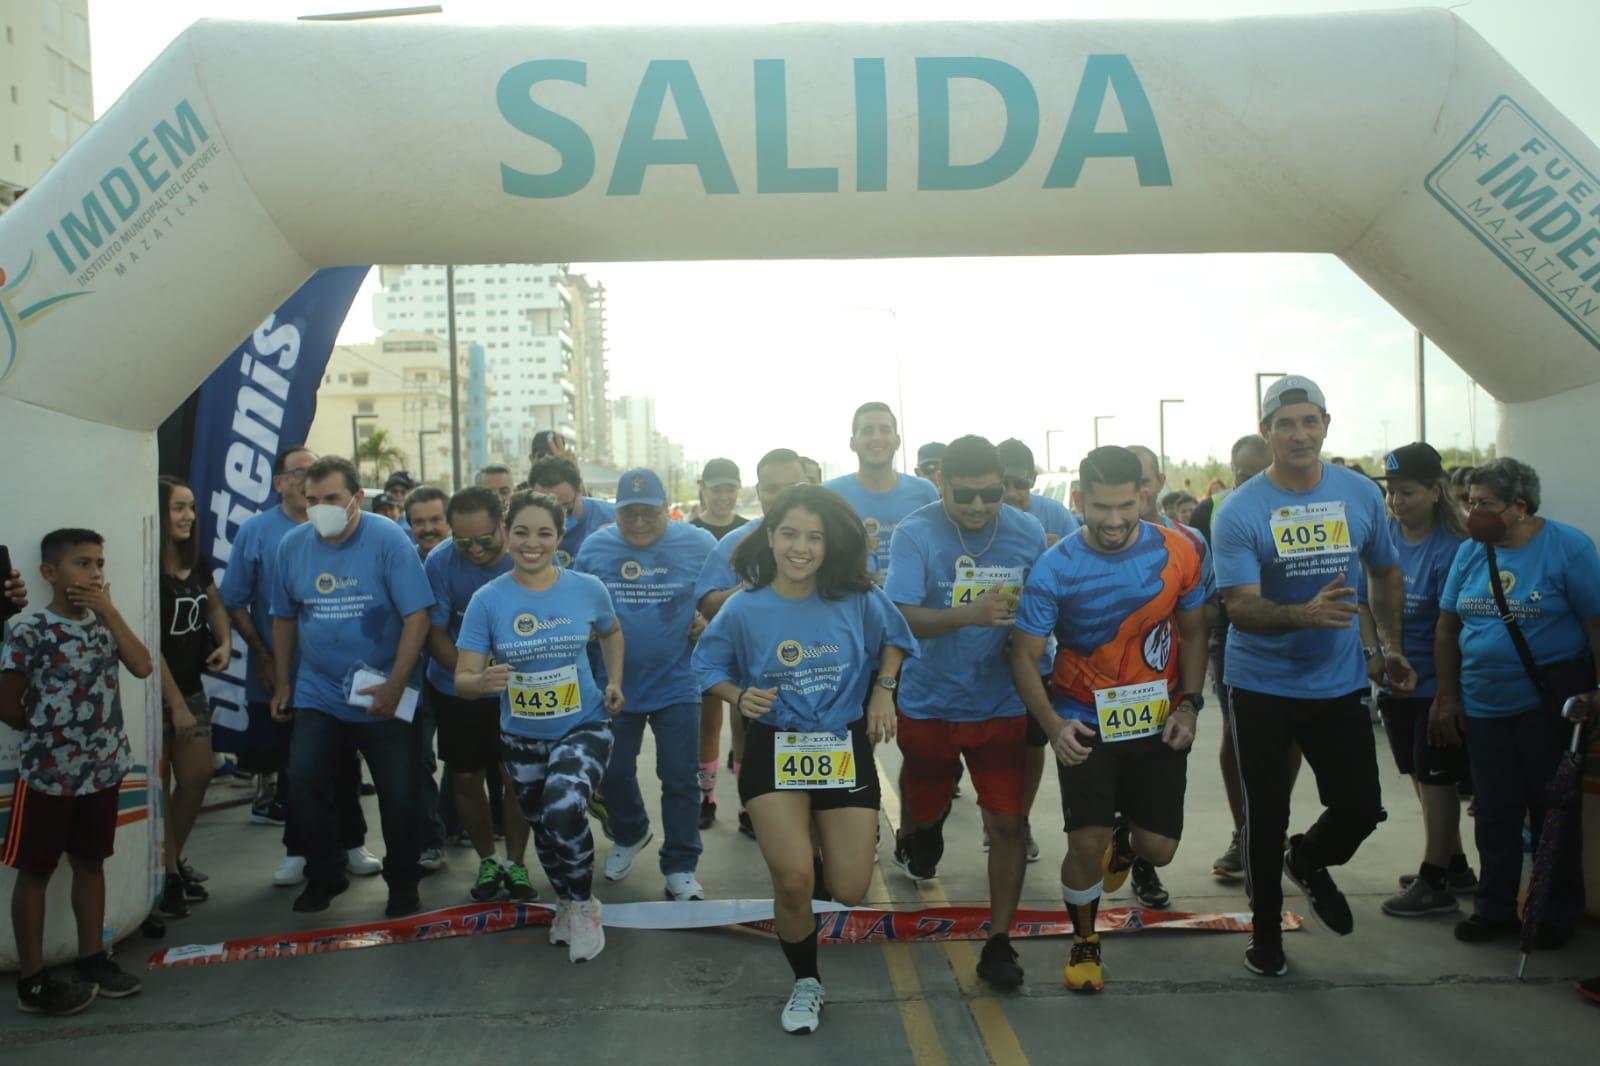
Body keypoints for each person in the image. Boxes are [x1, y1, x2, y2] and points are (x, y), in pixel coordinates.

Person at [693, 484, 916, 1033]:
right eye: (790, 534)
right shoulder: (744, 606)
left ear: (828, 544)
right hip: (774, 747)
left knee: (849, 889)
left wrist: (883, 690)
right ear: (770, 537)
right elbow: (706, 665)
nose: (801, 548)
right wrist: (737, 696)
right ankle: (806, 982)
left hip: (842, 744)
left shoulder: (855, 596)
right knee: (793, 882)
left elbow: (895, 637)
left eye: (814, 538)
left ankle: (825, 842)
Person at [1212, 375, 1414, 977]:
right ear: (1266, 431)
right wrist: (1303, 614)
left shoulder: (1359, 493)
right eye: (1285, 424)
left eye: (1309, 421)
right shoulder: (1240, 510)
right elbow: (1239, 607)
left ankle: (1307, 858)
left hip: (1337, 681)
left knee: (1361, 808)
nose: (1299, 434)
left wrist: (1389, 646)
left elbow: (1385, 572)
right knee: (1265, 814)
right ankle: (1266, 934)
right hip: (1260, 684)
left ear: (1326, 425)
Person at [1009, 446, 1208, 993]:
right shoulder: (1056, 567)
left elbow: (1195, 630)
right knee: (1084, 845)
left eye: (1126, 505)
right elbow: (1023, 656)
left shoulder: (1180, 549)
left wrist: (1190, 705)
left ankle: (1127, 838)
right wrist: (1053, 726)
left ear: (1143, 495)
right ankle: (1085, 940)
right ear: (1079, 499)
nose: (1115, 520)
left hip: (1160, 720)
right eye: (1101, 507)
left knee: (1157, 849)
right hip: (1084, 723)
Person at [886, 436, 1046, 989]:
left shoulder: (1027, 531)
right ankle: (921, 831)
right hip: (929, 703)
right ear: (940, 484)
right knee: (926, 803)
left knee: (1007, 823)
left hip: (1000, 704)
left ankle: (999, 941)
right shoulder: (915, 532)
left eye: (991, 494)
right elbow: (899, 616)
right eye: (965, 496)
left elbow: (1046, 603)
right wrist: (967, 615)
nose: (979, 507)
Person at [1435, 458, 1599, 947]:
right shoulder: (1471, 552)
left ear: (1520, 506)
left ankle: (1552, 913)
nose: (1473, 513)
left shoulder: (1568, 547)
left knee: (1552, 810)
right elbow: (1447, 627)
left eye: (1485, 503)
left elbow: (1596, 624)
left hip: (1547, 705)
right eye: (1469, 502)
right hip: (1483, 704)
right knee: (1494, 811)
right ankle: (1494, 909)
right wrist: (1448, 695)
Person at [455, 491, 625, 963]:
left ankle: (584, 905)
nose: (533, 543)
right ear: (506, 533)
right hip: (523, 736)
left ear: (560, 536)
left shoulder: (587, 588)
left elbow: (611, 630)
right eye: (523, 532)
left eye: (544, 533)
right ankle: (565, 900)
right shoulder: (487, 600)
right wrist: (480, 682)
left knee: (564, 808)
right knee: (543, 826)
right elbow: (463, 678)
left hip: (584, 723)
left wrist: (614, 680)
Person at [270, 456, 435, 918]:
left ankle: (403, 881)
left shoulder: (388, 539)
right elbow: (284, 617)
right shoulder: (292, 545)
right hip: (318, 690)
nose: (320, 508)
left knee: (399, 792)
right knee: (303, 778)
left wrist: (395, 684)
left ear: (357, 498)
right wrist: (282, 681)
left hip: (384, 687)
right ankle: (326, 872)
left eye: (332, 498)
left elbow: (417, 616)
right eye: (312, 500)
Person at [2, 529, 151, 1014]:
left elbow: (143, 666)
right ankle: (32, 980)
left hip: (102, 770)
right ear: (50, 572)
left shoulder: (106, 623)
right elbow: (7, 702)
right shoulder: (30, 629)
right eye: (81, 563)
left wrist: (110, 612)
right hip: (48, 774)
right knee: (36, 871)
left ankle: (91, 959)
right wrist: (48, 735)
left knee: (91, 862)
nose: (94, 573)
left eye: (98, 563)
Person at [221, 446, 377, 888]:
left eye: (315, 473)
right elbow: (234, 599)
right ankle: (298, 850)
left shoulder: (353, 527)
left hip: (345, 674)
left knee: (345, 763)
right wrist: (266, 657)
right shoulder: (257, 532)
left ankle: (352, 843)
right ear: (280, 483)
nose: (308, 481)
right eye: (300, 474)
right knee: (297, 768)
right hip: (285, 677)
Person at [576, 469, 718, 901]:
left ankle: (680, 865)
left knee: (679, 776)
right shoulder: (595, 547)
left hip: (678, 681)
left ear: (666, 510)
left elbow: (726, 597)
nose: (639, 522)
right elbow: (576, 603)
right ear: (616, 512)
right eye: (629, 513)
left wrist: (708, 620)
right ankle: (631, 830)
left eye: (649, 513)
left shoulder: (699, 543)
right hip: (616, 683)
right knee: (612, 771)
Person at [1367, 443, 1475, 917]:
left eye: (1406, 491)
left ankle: (1434, 881)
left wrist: (1446, 695)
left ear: (1436, 491)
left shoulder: (1454, 549)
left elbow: (1453, 629)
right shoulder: (1385, 537)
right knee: (1419, 773)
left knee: (1438, 779)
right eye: (1391, 491)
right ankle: (1453, 864)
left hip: (1435, 687)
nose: (1396, 501)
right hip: (1397, 683)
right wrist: (1377, 654)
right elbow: (1362, 599)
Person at [423, 486, 535, 902]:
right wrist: (471, 676)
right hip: (457, 687)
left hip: (517, 687)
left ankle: (516, 863)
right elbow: (434, 632)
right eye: (463, 541)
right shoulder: (440, 562)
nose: (475, 550)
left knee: (516, 778)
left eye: (485, 539)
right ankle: (488, 860)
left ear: (503, 524)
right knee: (466, 777)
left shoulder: (529, 555)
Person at [695, 448, 810, 836]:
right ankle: (749, 805)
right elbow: (707, 602)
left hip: (819, 674)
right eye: (772, 488)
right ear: (759, 492)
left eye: (792, 486)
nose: (783, 496)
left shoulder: (833, 536)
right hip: (756, 672)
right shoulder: (736, 543)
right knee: (746, 731)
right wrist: (748, 589)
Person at [1190, 434, 1290, 881]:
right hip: (1233, 633)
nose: (1247, 486)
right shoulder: (1211, 511)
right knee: (1237, 733)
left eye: (1257, 476)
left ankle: (1273, 827)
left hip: (1293, 627)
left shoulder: (1300, 507)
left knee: (1290, 735)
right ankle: (1245, 831)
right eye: (1240, 476)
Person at [1122, 444, 1217, 910]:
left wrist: (1189, 697)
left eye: (1142, 481)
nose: (1135, 492)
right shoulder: (1090, 540)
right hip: (1104, 694)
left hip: (1168, 693)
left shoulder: (1191, 542)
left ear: (1159, 482)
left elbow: (1206, 613)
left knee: (1156, 827)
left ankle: (1142, 860)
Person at [152, 477, 233, 919]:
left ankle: (171, 861)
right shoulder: (147, 569)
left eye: (191, 508)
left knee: (197, 776)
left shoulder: (195, 562)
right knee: (159, 784)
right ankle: (166, 875)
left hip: (190, 687)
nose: (188, 517)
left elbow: (214, 604)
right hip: (154, 695)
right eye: (178, 508)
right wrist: (177, 705)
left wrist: (226, 642)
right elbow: (149, 644)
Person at [824, 401, 939, 582]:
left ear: (897, 441)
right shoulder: (829, 495)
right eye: (867, 431)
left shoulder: (925, 492)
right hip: (850, 595)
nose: (876, 437)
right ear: (852, 443)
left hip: (913, 597)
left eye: (884, 430)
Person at [529, 456, 617, 568]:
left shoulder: (613, 517)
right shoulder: (523, 523)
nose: (555, 518)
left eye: (565, 508)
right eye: (545, 509)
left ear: (580, 491)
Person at [996, 438, 1081, 548]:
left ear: (1033, 479)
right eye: (1003, 484)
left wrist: (1060, 551)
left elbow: (1080, 554)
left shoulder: (1057, 515)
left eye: (1020, 484)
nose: (1011, 493)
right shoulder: (983, 517)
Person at [692, 458, 748, 542]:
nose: (723, 497)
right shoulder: (690, 534)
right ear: (703, 488)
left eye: (731, 490)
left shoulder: (750, 532)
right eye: (716, 490)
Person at [404, 487, 450, 559]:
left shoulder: (466, 559)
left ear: (450, 522)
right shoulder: (403, 560)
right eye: (419, 522)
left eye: (435, 520)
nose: (427, 529)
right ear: (410, 525)